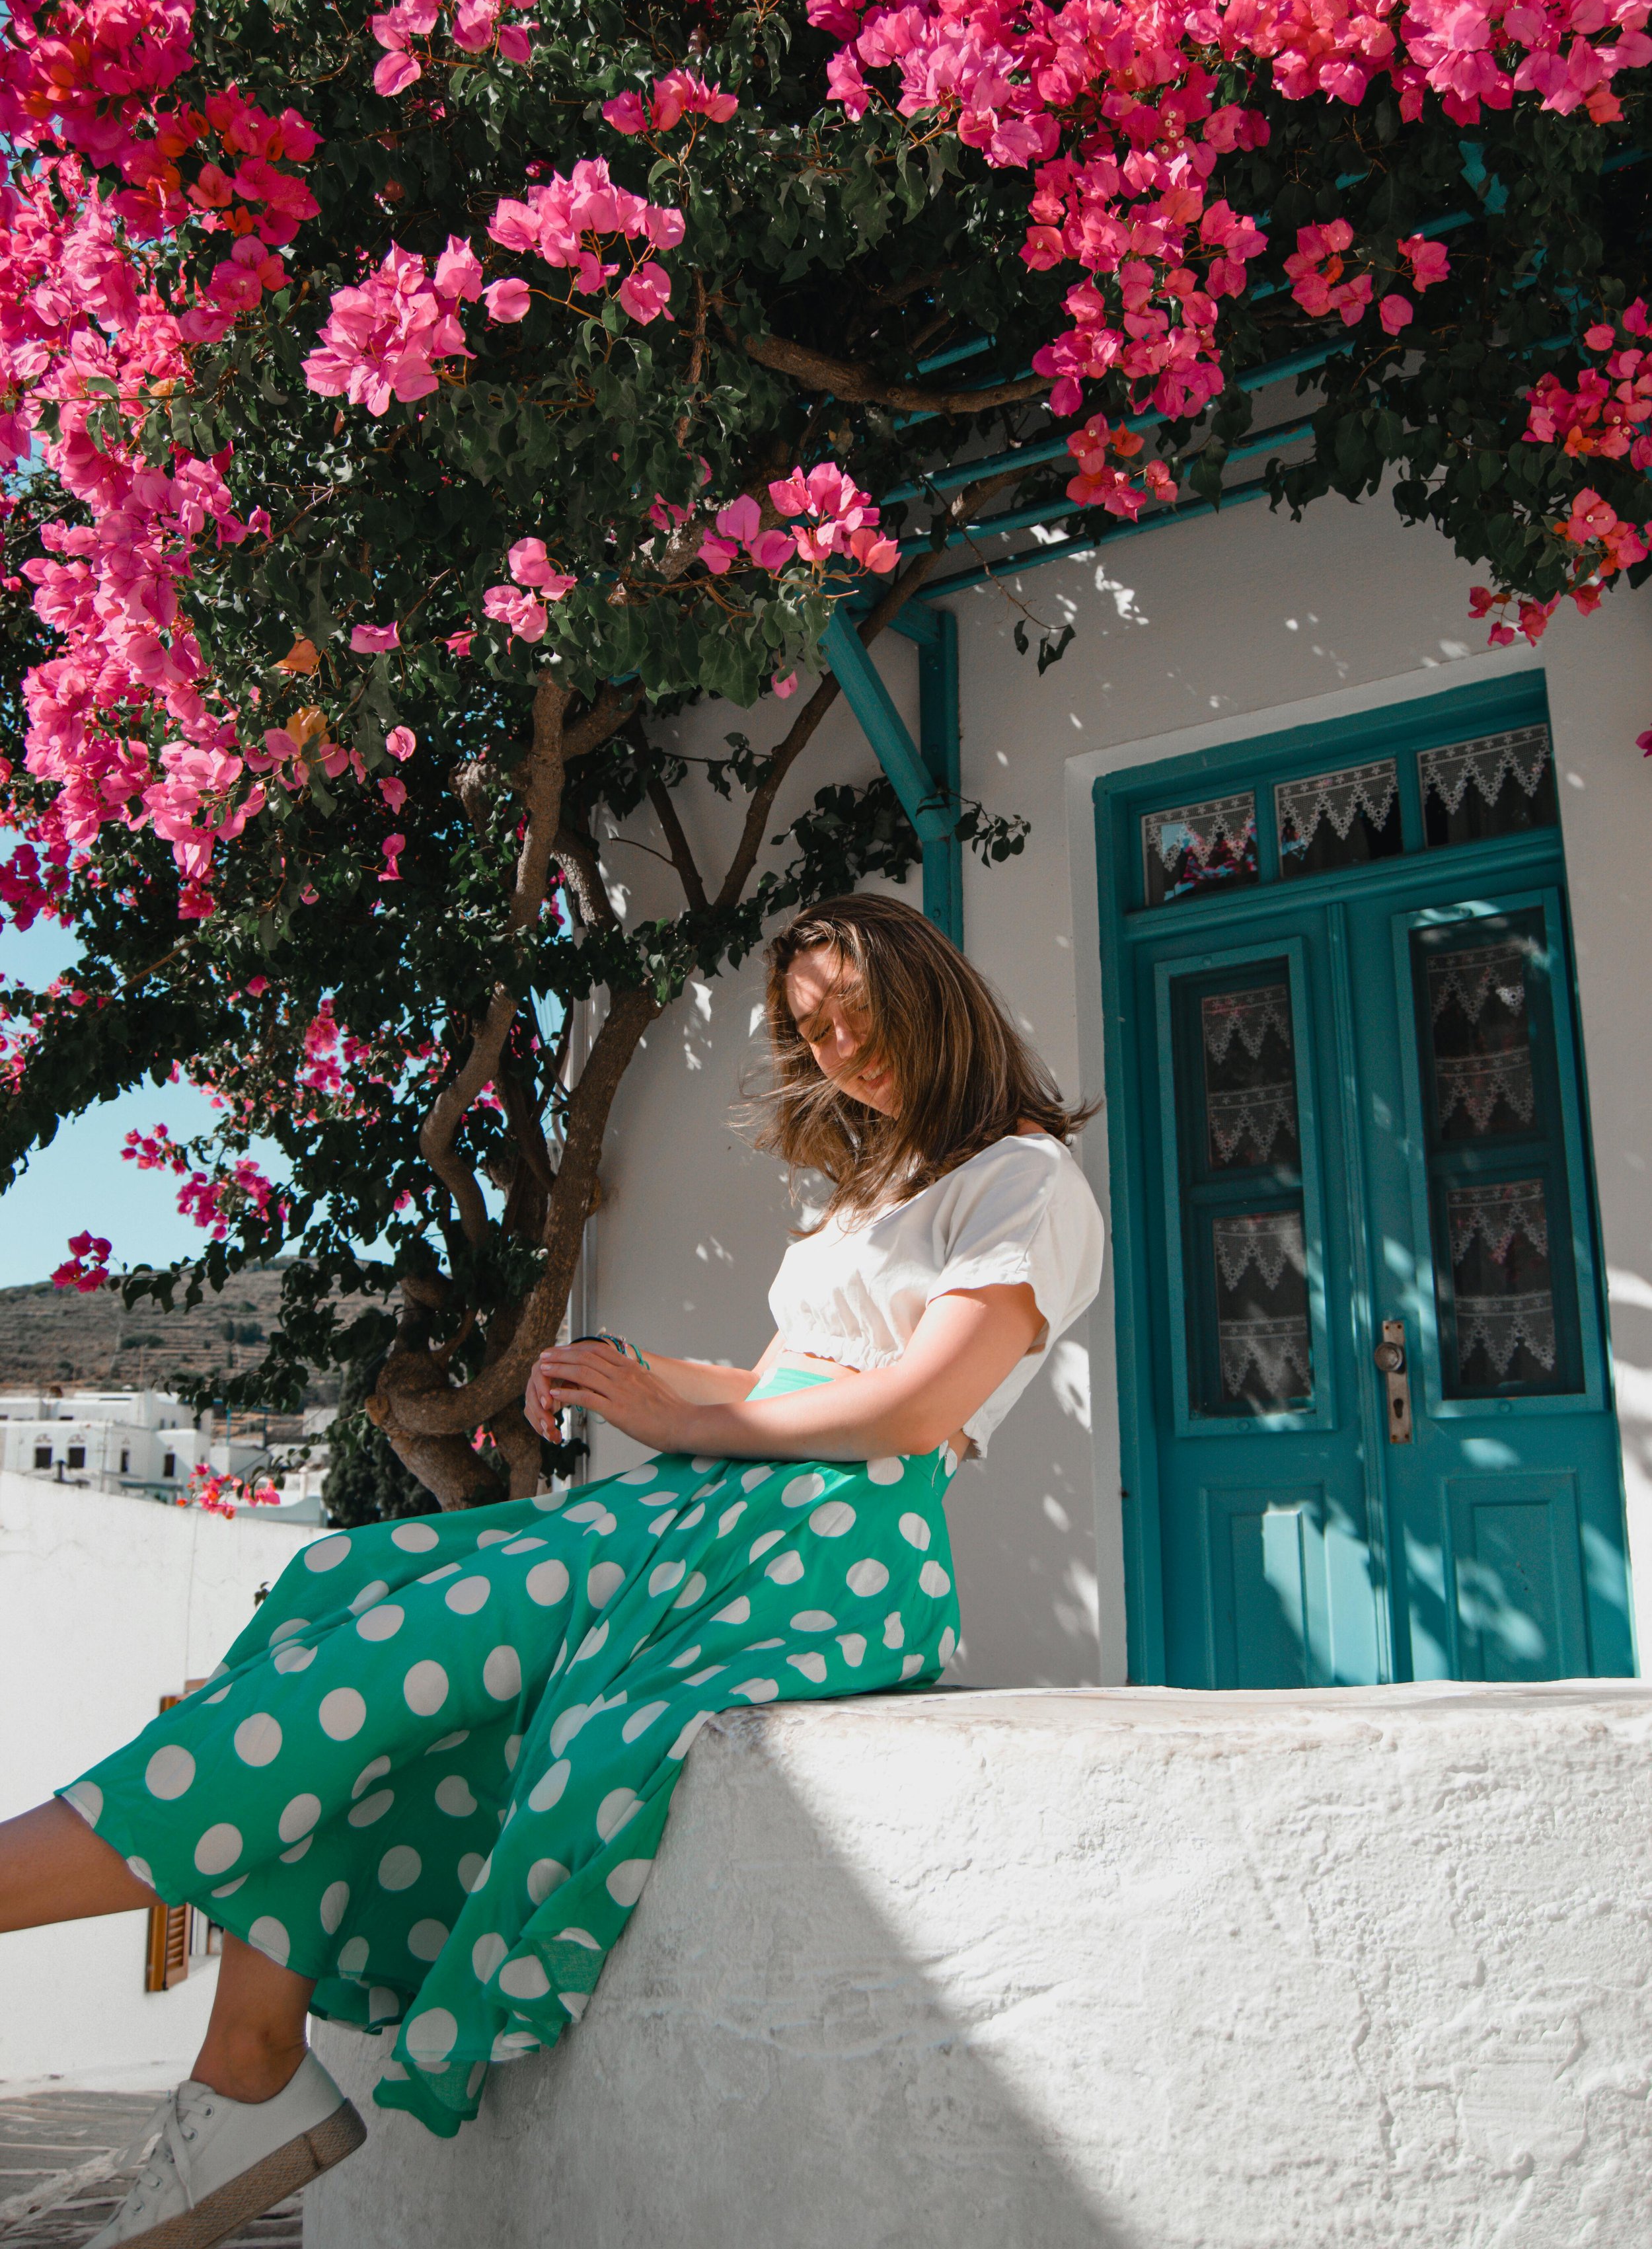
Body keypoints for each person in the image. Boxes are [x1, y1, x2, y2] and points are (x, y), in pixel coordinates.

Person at [0, 895, 1104, 2248]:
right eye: (812, 1031)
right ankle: (247, 2059)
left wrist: (682, 1422)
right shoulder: (866, 1189)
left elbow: (912, 1410)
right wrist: (627, 1378)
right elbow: (780, 1385)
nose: (838, 1048)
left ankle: (198, 2038)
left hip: (827, 1550)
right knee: (340, 1589)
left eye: (854, 1015)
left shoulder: (1025, 1180)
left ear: (930, 993)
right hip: (726, 1509)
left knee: (382, 1664)